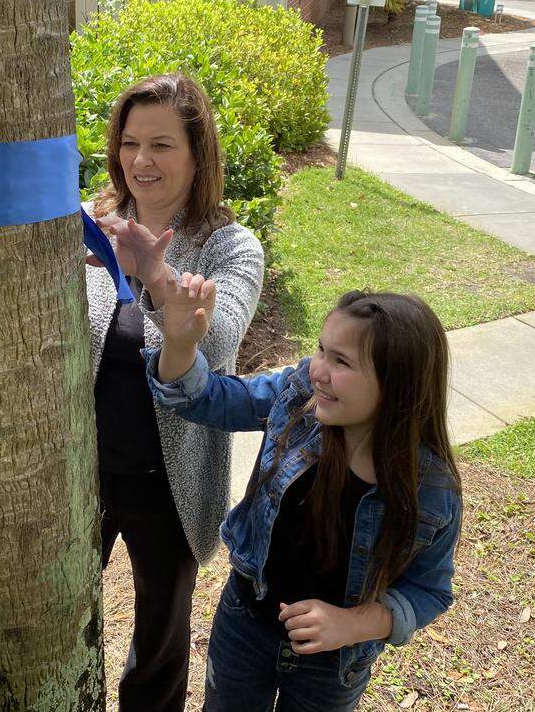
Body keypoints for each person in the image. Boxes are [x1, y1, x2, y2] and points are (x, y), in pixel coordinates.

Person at [146, 278, 463, 711]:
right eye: (321, 350)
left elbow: (429, 590)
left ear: (398, 384)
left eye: (342, 362)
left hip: (331, 666)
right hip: (245, 624)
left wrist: (350, 624)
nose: (318, 370)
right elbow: (209, 400)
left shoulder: (430, 489)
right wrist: (180, 344)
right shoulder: (300, 397)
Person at [84, 72, 265, 711]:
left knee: (160, 631)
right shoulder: (92, 229)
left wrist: (155, 276)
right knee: (62, 609)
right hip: (83, 469)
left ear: (197, 153)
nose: (141, 160)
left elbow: (213, 355)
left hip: (173, 475)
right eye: (130, 142)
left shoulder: (230, 246)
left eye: (161, 145)